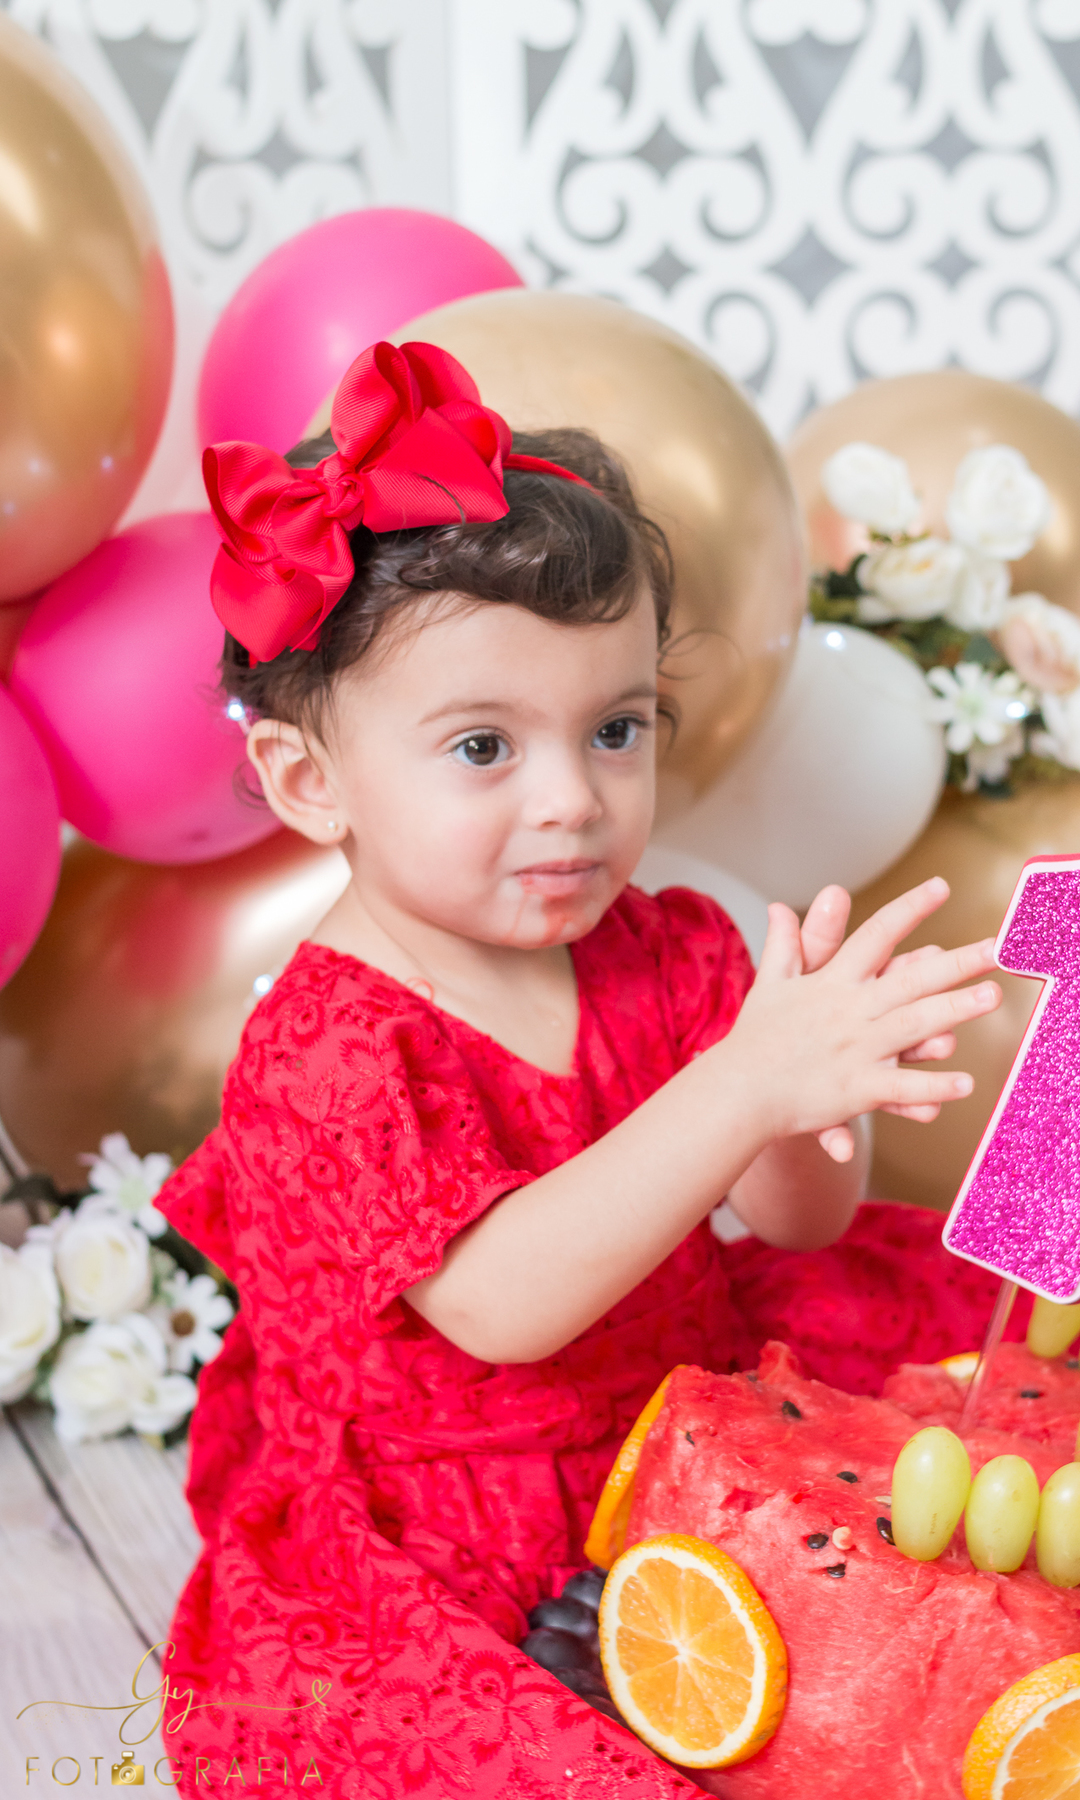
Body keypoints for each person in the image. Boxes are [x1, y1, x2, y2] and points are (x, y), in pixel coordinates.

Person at [154, 339, 1003, 1798]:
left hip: (698, 1400)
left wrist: (815, 1096)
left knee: (941, 1612)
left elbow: (794, 1225)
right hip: (456, 1492)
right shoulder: (330, 1047)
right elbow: (500, 1304)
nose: (573, 801)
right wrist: (745, 1083)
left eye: (616, 730)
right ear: (313, 781)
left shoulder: (659, 949)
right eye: (484, 745)